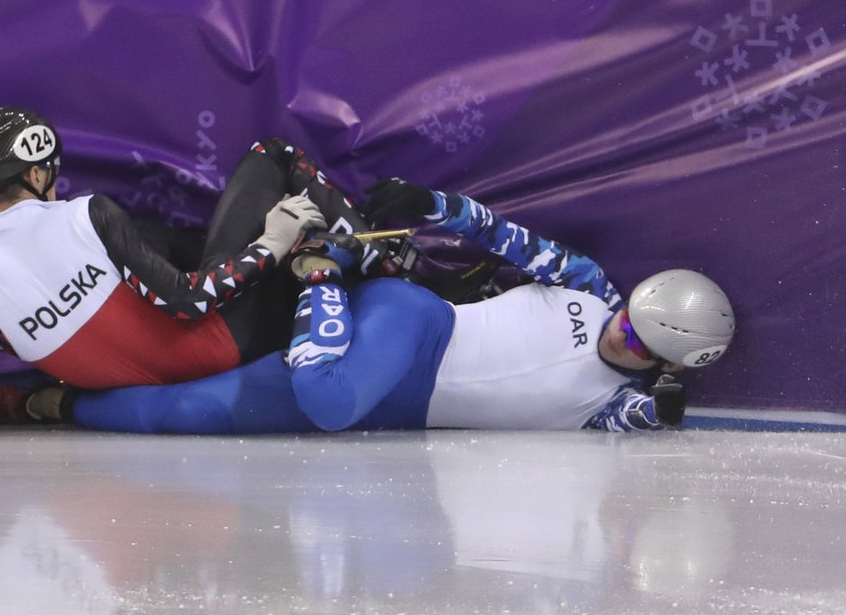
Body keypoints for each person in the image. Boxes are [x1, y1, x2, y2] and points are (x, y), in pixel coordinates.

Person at [0, 106, 418, 433]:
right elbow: (190, 303)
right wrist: (271, 245)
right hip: (228, 341)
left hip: (145, 389)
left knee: (163, 242)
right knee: (272, 155)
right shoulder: (88, 213)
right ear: (38, 173)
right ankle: (399, 268)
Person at [45, 178, 735, 434]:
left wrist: (663, 410)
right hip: (416, 327)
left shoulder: (615, 406)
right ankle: (322, 279)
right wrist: (433, 206)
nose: (622, 338)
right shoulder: (590, 287)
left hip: (396, 400)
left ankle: (41, 406)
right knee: (330, 404)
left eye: (642, 348)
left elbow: (642, 419)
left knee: (182, 414)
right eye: (628, 319)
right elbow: (505, 237)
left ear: (667, 365)